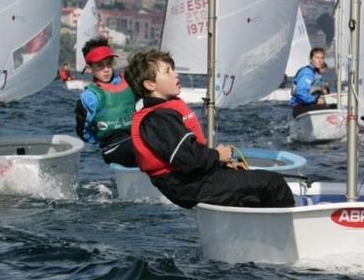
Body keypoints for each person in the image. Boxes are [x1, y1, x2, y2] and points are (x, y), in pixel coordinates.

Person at [126, 49, 294, 209]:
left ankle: (254, 231)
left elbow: (191, 157)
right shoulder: (157, 118)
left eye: (174, 69)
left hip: (192, 181)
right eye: (167, 71)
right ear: (149, 84)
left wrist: (222, 165)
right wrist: (217, 155)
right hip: (188, 186)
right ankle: (286, 233)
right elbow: (188, 158)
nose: (175, 74)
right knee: (273, 182)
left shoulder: (163, 113)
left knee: (252, 188)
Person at [74, 37, 137, 167]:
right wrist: (99, 141)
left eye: (109, 63)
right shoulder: (89, 97)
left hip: (134, 138)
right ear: (89, 68)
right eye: (100, 66)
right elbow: (83, 131)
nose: (106, 69)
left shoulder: (129, 82)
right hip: (112, 146)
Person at [289, 47, 336, 117]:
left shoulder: (316, 74)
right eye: (317, 57)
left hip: (310, 105)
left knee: (335, 106)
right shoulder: (307, 72)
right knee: (331, 109)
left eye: (322, 58)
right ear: (311, 59)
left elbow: (317, 90)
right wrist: (315, 100)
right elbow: (301, 92)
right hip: (300, 107)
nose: (319, 60)